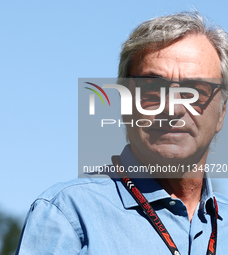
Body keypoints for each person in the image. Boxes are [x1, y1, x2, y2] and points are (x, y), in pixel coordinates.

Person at [15, 11, 228, 254]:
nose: (173, 107)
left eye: (195, 91)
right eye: (152, 89)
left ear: (221, 113)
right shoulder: (68, 213)